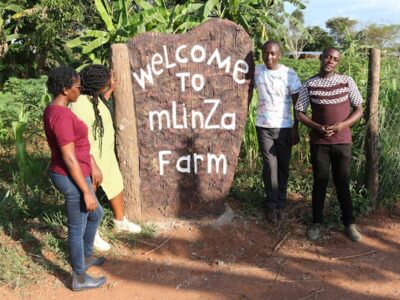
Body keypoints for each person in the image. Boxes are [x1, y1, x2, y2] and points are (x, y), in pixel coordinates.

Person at [43, 66, 107, 291]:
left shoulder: (58, 110)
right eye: (77, 88)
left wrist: (93, 164)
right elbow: (69, 158)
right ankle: (78, 277)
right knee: (77, 226)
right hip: (70, 176)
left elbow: (78, 147)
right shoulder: (59, 116)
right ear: (65, 89)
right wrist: (87, 191)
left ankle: (86, 256)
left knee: (96, 213)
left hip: (78, 171)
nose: (80, 91)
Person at [70, 64, 141, 252]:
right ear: (96, 86)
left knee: (116, 185)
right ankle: (91, 234)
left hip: (105, 155)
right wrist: (92, 164)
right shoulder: (78, 104)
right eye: (105, 83)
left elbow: (98, 109)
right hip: (90, 158)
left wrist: (110, 90)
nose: (107, 83)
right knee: (89, 193)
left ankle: (120, 221)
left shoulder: (92, 98)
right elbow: (80, 137)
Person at [295, 47, 364, 242]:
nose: (330, 61)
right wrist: (317, 126)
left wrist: (343, 125)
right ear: (321, 58)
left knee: (342, 181)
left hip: (342, 142)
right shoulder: (310, 84)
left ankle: (349, 224)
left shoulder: (346, 81)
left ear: (338, 62)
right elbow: (299, 112)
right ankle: (316, 222)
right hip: (320, 142)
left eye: (335, 59)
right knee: (320, 182)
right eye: (327, 57)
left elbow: (359, 109)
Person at [254, 41, 302, 223]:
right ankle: (271, 205)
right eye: (265, 53)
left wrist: (295, 128)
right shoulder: (257, 71)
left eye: (273, 54)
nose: (269, 57)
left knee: (282, 166)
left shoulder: (289, 74)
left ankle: (281, 203)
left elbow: (298, 103)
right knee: (269, 167)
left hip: (284, 128)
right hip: (263, 126)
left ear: (279, 55)